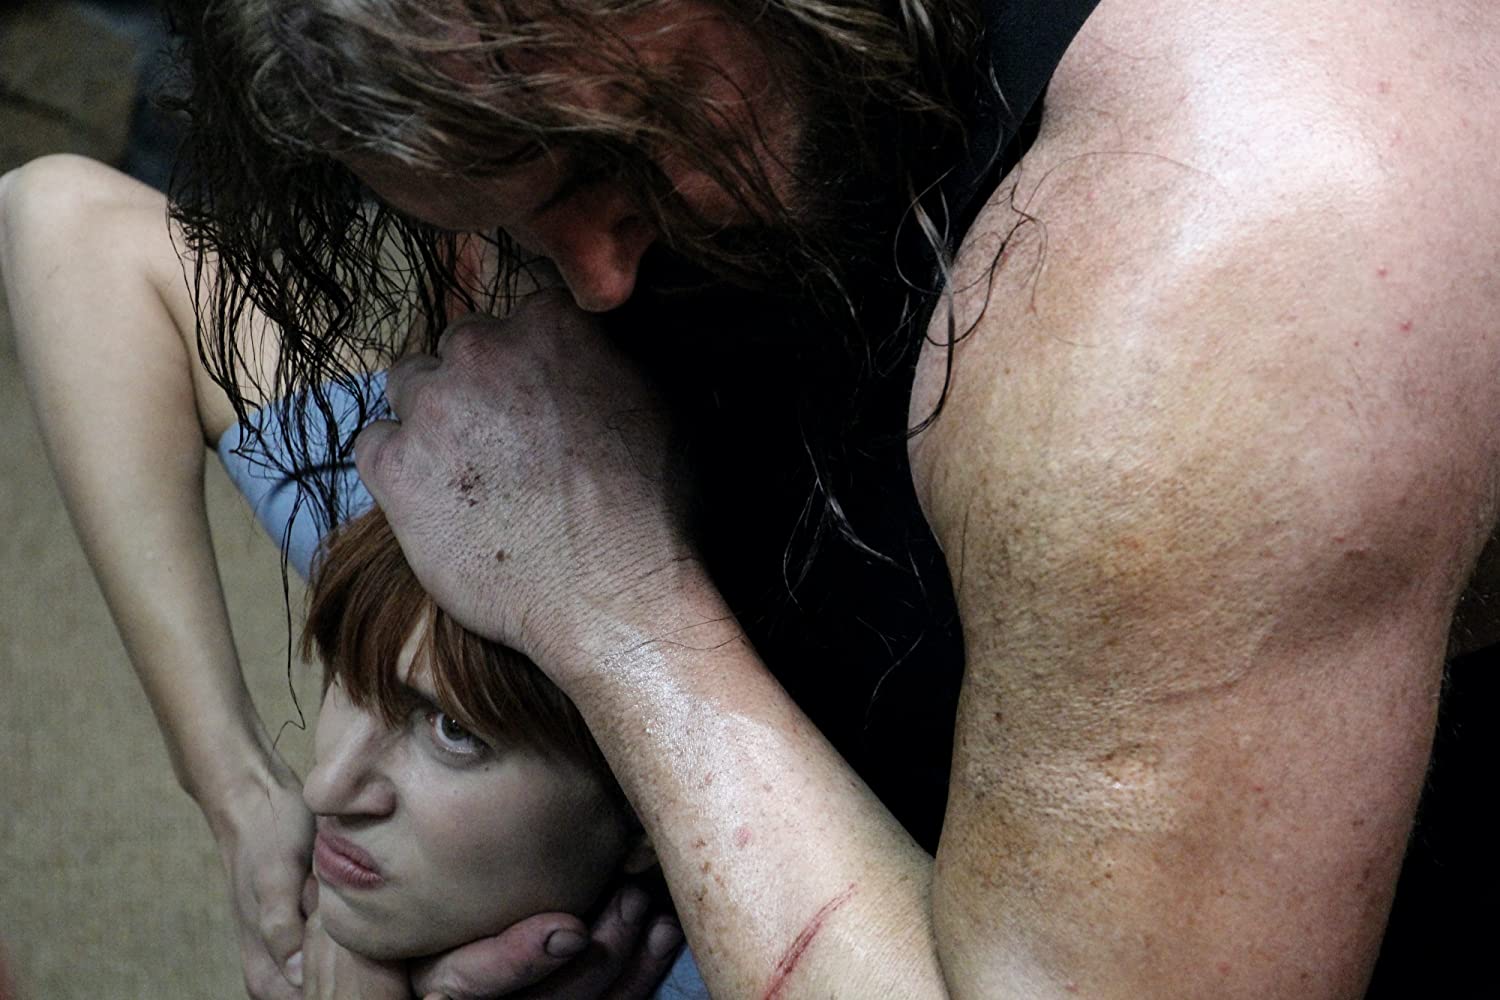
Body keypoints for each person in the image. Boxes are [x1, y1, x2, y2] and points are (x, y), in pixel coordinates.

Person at [37, 0, 1500, 995]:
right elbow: (64, 224)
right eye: (503, 215)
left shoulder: (1208, 251)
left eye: (616, 162)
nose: (591, 277)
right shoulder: (621, 124)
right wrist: (253, 810)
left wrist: (619, 616)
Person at [0, 155, 687, 999]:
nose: (326, 788)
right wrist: (238, 795)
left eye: (454, 733)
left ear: (658, 802)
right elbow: (57, 214)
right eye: (349, 672)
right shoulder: (410, 525)